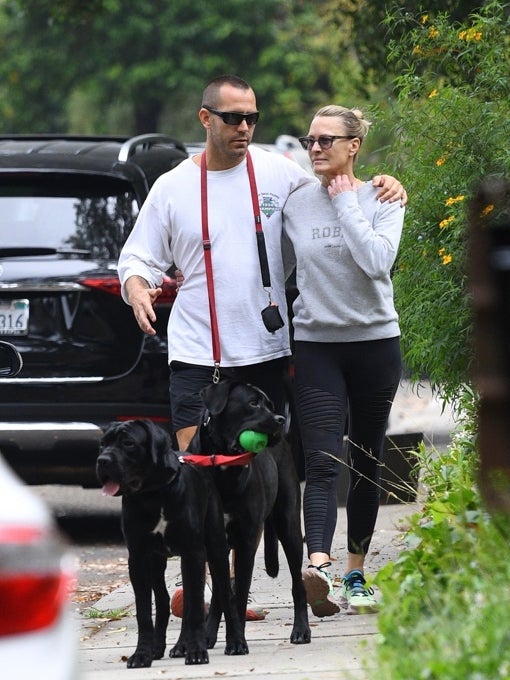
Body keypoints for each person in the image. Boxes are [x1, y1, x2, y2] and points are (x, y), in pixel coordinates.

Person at [117, 75, 406, 454]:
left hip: (264, 352)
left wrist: (384, 184)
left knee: (262, 484)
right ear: (205, 118)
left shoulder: (280, 173)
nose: (244, 128)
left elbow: (332, 191)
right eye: (233, 118)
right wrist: (137, 287)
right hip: (196, 353)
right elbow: (138, 256)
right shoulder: (172, 187)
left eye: (251, 118)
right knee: (199, 473)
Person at [282, 105, 405, 616]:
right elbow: (276, 269)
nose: (315, 148)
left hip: (375, 344)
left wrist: (346, 203)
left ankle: (356, 572)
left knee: (368, 459)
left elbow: (378, 262)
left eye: (326, 140)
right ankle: (320, 566)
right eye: (311, 140)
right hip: (316, 345)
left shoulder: (383, 197)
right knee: (322, 457)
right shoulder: (295, 204)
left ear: (353, 145)